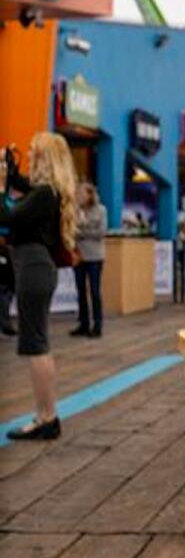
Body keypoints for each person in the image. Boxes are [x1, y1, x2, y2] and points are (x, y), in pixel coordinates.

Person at [0, 133, 78, 440]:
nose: (29, 154)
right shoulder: (46, 192)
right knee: (37, 342)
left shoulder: (45, 193)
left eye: (33, 151)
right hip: (34, 267)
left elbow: (5, 215)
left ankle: (46, 418)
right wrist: (8, 168)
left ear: (45, 157)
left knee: (36, 344)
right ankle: (47, 415)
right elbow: (20, 184)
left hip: (33, 267)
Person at [71, 182, 106, 338]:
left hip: (95, 256)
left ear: (90, 194)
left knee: (94, 290)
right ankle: (83, 323)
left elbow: (101, 232)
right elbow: (71, 230)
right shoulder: (75, 211)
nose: (79, 196)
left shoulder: (101, 210)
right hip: (79, 256)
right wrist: (84, 230)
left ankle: (97, 325)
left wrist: (82, 230)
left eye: (82, 193)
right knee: (80, 291)